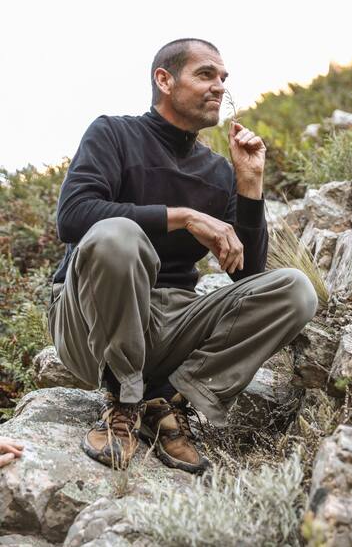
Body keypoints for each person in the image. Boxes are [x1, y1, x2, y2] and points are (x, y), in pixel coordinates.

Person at [48, 38, 318, 474]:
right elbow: (73, 217)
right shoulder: (113, 133)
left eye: (223, 78)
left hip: (173, 325)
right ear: (165, 80)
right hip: (89, 323)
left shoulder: (217, 172)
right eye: (206, 74)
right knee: (119, 235)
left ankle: (166, 401)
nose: (219, 86)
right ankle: (123, 399)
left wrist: (249, 185)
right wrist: (185, 217)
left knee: (296, 290)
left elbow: (247, 273)